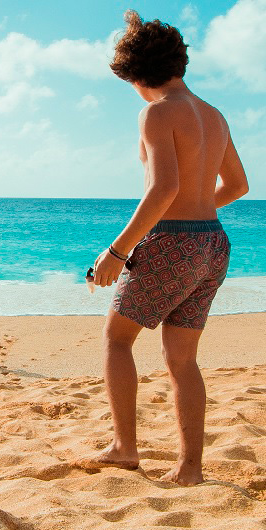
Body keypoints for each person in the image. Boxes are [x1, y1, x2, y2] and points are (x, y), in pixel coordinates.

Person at [77, 11, 248, 486]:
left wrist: (116, 252)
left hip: (172, 241)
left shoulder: (155, 111)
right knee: (183, 358)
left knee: (117, 337)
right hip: (212, 243)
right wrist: (196, 217)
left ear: (134, 74)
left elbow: (163, 189)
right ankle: (189, 468)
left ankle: (124, 448)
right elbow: (237, 186)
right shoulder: (214, 115)